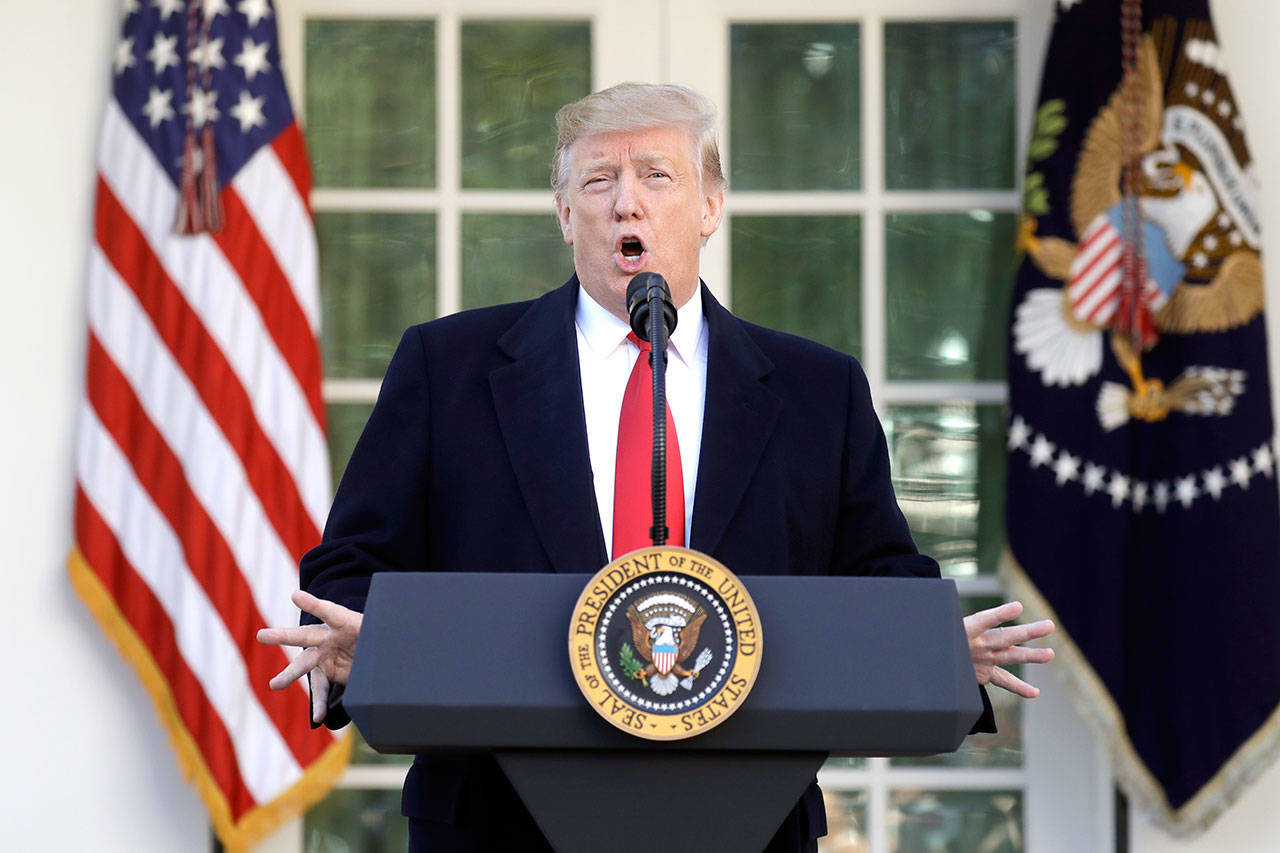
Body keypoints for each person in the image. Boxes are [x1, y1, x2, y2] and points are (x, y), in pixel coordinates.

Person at [258, 82, 1055, 852]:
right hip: (494, 824)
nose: (624, 202)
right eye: (598, 180)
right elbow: (350, 567)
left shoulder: (819, 390)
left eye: (656, 175)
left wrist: (931, 646)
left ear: (710, 207)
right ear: (566, 214)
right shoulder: (448, 367)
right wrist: (378, 639)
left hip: (747, 822)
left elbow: (878, 576)